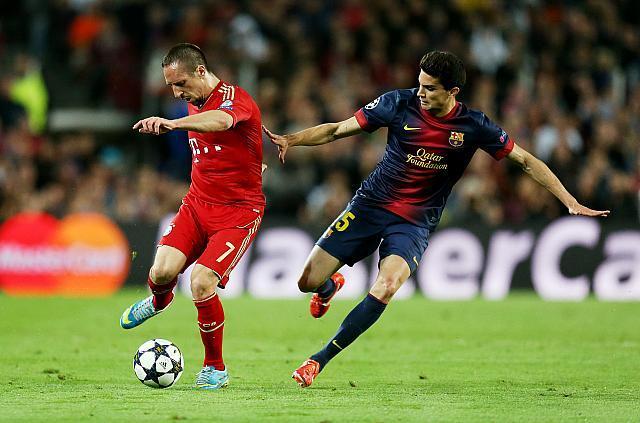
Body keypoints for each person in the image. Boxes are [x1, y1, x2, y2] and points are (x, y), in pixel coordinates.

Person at [263, 51, 610, 388]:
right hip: (370, 205)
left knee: (387, 285)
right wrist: (293, 139)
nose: (421, 92)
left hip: (413, 223)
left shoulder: (473, 125)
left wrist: (570, 202)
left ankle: (318, 360)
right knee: (306, 281)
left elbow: (527, 161)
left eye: (429, 88)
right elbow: (338, 130)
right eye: (420, 84)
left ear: (452, 91)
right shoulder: (397, 103)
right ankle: (328, 288)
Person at [120, 43, 266, 390]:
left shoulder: (235, 99)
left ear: (201, 71)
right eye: (171, 86)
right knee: (160, 272)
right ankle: (159, 300)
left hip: (238, 213)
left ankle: (215, 368)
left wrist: (172, 124)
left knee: (201, 283)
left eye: (181, 83)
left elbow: (221, 121)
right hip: (197, 205)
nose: (177, 92)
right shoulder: (194, 101)